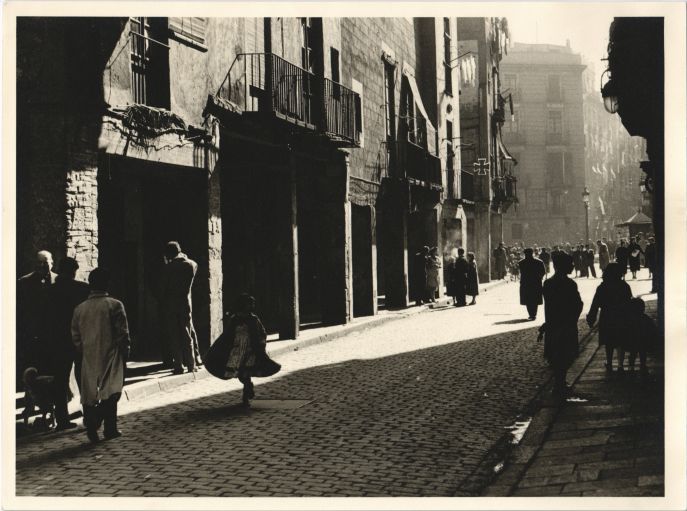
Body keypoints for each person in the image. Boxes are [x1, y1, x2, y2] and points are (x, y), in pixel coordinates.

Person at [71, 268, 130, 443]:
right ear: (107, 284)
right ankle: (106, 426)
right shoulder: (114, 305)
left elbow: (75, 335)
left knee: (90, 392)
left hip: (88, 355)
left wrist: (83, 350)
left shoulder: (80, 309)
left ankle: (92, 422)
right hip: (111, 353)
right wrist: (125, 351)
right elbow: (122, 333)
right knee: (112, 391)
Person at [204, 294, 281, 407]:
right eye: (249, 304)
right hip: (236, 353)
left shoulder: (254, 320)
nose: (251, 306)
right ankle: (248, 387)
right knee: (240, 372)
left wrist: (260, 346)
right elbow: (227, 336)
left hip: (250, 352)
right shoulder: (234, 319)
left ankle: (246, 393)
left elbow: (261, 333)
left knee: (245, 372)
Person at [49, 257, 89, 431]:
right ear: (74, 271)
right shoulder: (81, 289)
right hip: (79, 337)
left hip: (58, 339)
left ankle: (62, 418)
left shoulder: (51, 290)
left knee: (60, 379)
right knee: (83, 377)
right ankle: (88, 414)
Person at [540, 252, 583, 397]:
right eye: (570, 264)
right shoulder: (569, 284)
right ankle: (559, 385)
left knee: (557, 355)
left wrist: (547, 324)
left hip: (553, 325)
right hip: (566, 325)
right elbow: (577, 304)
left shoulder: (548, 283)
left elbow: (550, 307)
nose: (573, 266)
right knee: (566, 355)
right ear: (563, 266)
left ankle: (560, 383)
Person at [17, 251, 58, 382]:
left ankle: (51, 399)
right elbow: (20, 310)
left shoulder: (59, 281)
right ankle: (30, 398)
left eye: (45, 262)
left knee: (52, 370)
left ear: (52, 262)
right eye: (39, 262)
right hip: (33, 335)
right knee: (32, 369)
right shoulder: (24, 282)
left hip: (53, 334)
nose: (42, 265)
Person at [586, 262, 633, 374]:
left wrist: (591, 319)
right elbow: (629, 303)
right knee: (621, 341)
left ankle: (609, 362)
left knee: (609, 341)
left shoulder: (602, 287)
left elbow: (595, 304)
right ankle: (621, 365)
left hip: (607, 316)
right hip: (621, 316)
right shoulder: (624, 286)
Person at [161, 241, 199, 374]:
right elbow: (193, 264)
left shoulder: (168, 267)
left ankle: (178, 365)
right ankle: (191, 364)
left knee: (174, 334)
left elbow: (164, 286)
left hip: (171, 302)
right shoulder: (191, 264)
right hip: (185, 301)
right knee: (187, 332)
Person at [624, 297, 657, 376]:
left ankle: (631, 366)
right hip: (643, 340)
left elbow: (625, 329)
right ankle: (643, 366)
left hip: (633, 341)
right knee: (643, 353)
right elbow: (653, 328)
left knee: (633, 354)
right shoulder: (646, 318)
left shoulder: (629, 319)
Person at [518, 248, 546, 320]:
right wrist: (539, 278)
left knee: (528, 299)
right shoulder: (539, 262)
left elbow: (520, 272)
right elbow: (543, 272)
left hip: (526, 283)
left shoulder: (521, 262)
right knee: (534, 299)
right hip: (535, 283)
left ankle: (531, 314)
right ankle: (533, 314)